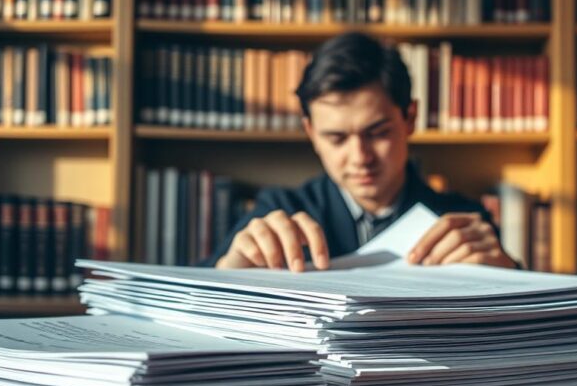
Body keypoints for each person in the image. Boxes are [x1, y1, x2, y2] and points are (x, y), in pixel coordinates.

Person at [205, 32, 519, 272]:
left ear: (410, 118)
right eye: (337, 138)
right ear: (311, 133)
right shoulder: (279, 212)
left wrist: (508, 276)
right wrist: (227, 272)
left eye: (377, 133)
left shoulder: (462, 221)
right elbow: (192, 296)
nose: (360, 157)